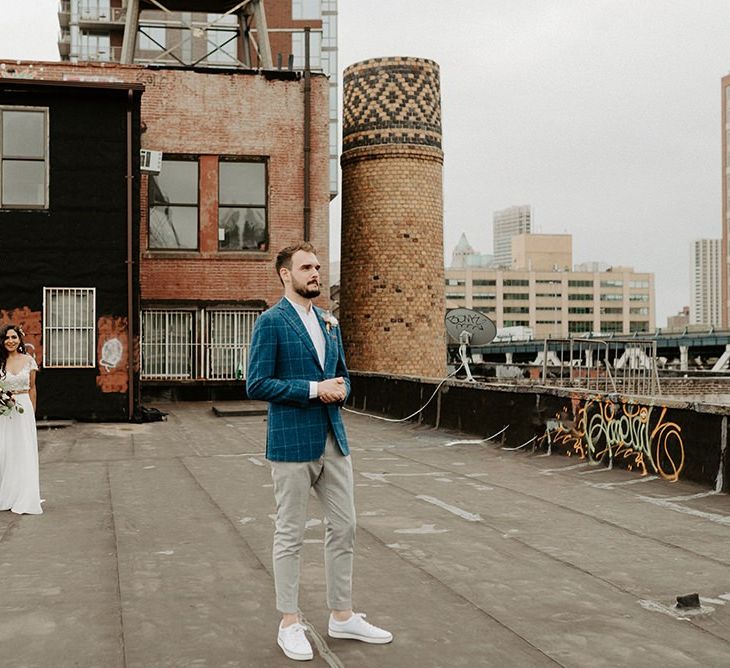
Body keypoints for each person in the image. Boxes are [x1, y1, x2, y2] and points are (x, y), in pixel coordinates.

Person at [246, 242, 392, 662]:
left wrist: (342, 387)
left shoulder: (330, 323)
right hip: (291, 443)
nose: (315, 273)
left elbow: (342, 376)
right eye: (306, 267)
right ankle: (289, 622)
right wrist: (314, 389)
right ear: (285, 275)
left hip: (334, 440)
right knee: (290, 534)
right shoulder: (271, 322)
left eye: (317, 267)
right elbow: (256, 384)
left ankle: (341, 614)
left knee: (344, 527)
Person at [0, 324, 42, 515]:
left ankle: (25, 495)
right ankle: (8, 494)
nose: (10, 341)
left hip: (23, 408)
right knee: (6, 451)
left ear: (19, 339)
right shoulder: (0, 362)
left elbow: (32, 387)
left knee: (24, 451)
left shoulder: (28, 361)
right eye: (7, 338)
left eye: (14, 337)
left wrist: (32, 412)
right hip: (5, 411)